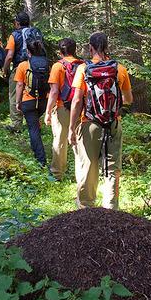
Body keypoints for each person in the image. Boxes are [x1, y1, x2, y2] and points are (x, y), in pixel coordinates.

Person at [68, 32, 133, 210]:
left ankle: (86, 206)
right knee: (112, 169)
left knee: (88, 165)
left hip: (89, 122)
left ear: (90, 48)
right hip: (113, 123)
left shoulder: (83, 69)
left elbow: (76, 101)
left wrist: (71, 128)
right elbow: (128, 99)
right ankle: (111, 208)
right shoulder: (120, 69)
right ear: (107, 46)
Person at [45, 38, 83, 181]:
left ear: (60, 51)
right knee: (79, 141)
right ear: (74, 50)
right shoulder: (83, 65)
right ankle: (81, 174)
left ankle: (57, 174)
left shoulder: (57, 66)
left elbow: (54, 92)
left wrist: (48, 111)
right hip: (80, 108)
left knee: (60, 141)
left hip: (63, 108)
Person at [3, 11, 44, 133]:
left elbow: (10, 56)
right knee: (32, 93)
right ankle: (34, 122)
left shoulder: (14, 35)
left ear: (17, 23)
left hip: (19, 67)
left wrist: (5, 69)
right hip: (35, 66)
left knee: (15, 95)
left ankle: (16, 124)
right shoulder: (35, 33)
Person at [14, 39, 50, 167]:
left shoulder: (23, 65)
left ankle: (40, 159)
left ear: (28, 52)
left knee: (33, 129)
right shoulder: (46, 64)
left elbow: (19, 84)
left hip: (28, 101)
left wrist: (17, 102)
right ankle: (37, 148)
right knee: (35, 125)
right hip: (43, 101)